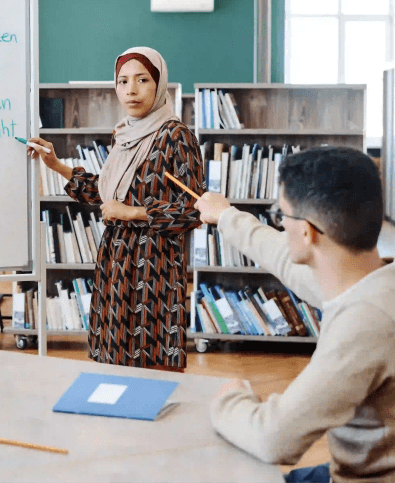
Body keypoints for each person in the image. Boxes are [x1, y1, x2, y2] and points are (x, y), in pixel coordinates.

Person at [195, 146, 395, 482]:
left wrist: (230, 398)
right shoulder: (370, 281)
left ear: (307, 232)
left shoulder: (366, 323)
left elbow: (273, 439)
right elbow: (283, 259)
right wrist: (227, 216)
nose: (280, 222)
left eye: (280, 214)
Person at [29, 47, 205, 370]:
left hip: (155, 272)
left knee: (151, 367)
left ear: (160, 84)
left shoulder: (177, 137)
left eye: (142, 80)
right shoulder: (123, 135)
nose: (131, 90)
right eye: (122, 82)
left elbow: (194, 210)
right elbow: (106, 193)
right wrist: (55, 165)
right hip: (116, 267)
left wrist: (132, 213)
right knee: (112, 367)